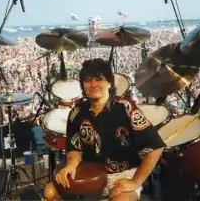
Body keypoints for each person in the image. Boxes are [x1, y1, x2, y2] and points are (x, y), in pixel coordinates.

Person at [44, 58, 166, 201]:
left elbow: (156, 147)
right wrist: (71, 165)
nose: (93, 84)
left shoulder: (125, 108)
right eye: (88, 80)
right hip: (90, 173)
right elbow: (74, 148)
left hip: (122, 174)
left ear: (109, 83)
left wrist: (135, 182)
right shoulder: (77, 112)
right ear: (83, 85)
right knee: (50, 192)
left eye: (99, 79)